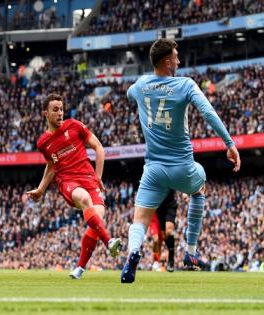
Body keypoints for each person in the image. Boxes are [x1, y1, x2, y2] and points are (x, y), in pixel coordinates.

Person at [121, 39, 240, 283]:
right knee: (199, 189)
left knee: (140, 220)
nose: (179, 60)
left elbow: (128, 93)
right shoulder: (186, 85)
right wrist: (229, 144)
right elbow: (208, 113)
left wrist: (145, 91)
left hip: (153, 169)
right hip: (183, 167)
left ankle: (133, 253)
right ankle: (191, 252)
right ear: (167, 62)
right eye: (176, 56)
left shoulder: (142, 84)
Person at [26, 93, 121, 279]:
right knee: (85, 199)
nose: (60, 113)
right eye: (55, 110)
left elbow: (99, 148)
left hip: (89, 178)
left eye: (61, 109)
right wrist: (41, 189)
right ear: (45, 113)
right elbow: (52, 165)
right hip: (67, 181)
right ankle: (109, 242)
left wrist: (98, 176)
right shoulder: (43, 143)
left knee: (97, 219)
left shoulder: (75, 126)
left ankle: (80, 268)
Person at [149, 190, 177, 272]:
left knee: (169, 232)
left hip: (170, 205)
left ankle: (171, 259)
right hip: (157, 212)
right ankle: (156, 262)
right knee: (157, 240)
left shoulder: (171, 179)